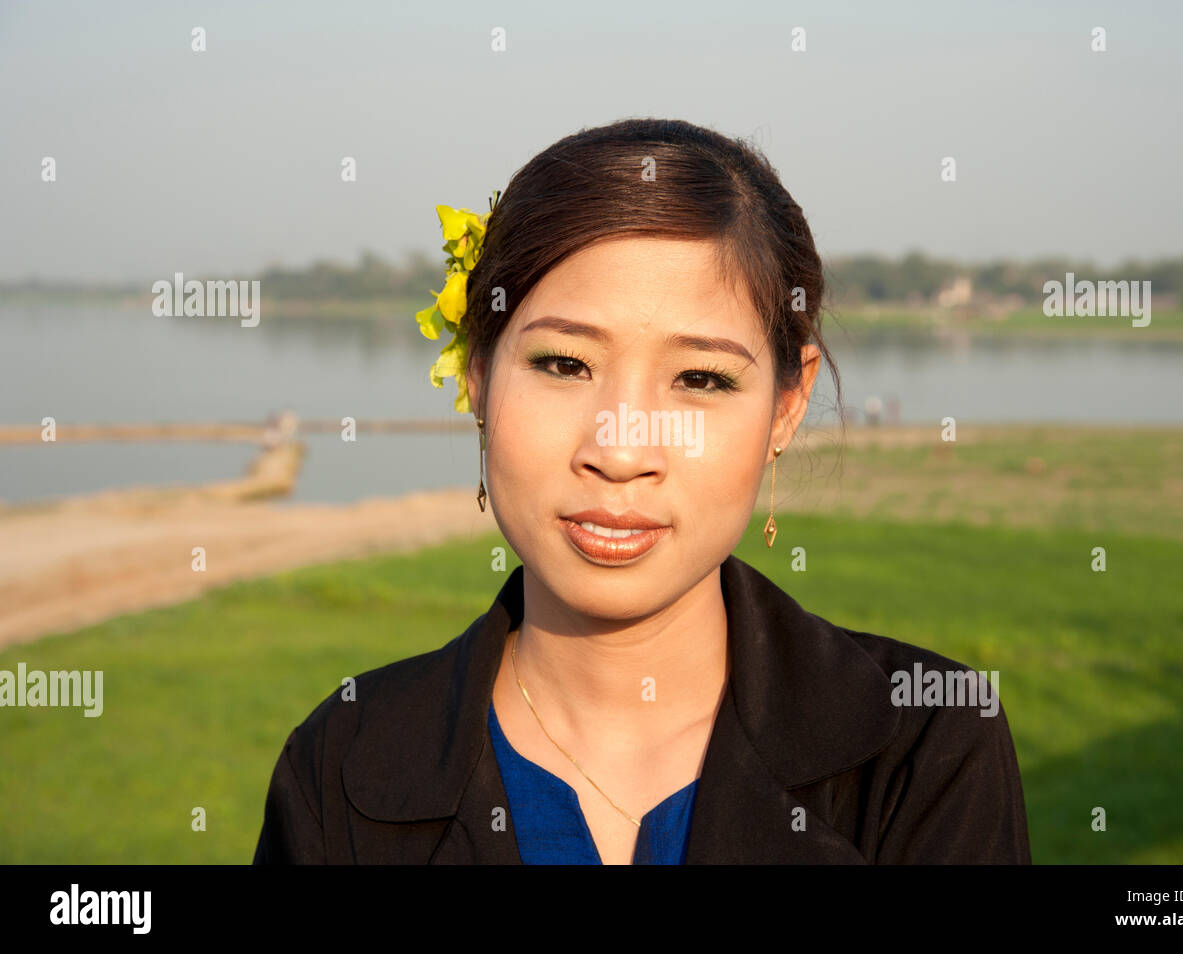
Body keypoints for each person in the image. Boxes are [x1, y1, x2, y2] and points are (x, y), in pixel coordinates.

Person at [253, 117, 1032, 865]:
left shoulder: (926, 749)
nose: (621, 451)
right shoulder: (344, 763)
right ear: (479, 377)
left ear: (785, 409)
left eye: (700, 378)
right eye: (563, 365)